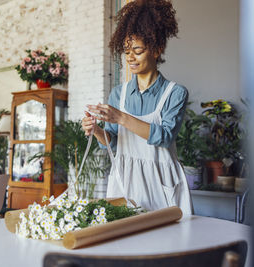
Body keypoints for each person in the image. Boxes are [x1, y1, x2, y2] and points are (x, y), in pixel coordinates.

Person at [82, 0, 192, 215]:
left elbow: (165, 137)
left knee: (168, 243)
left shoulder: (175, 93)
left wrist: (121, 118)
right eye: (126, 51)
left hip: (161, 181)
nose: (130, 57)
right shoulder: (118, 94)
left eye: (137, 50)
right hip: (125, 181)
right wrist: (96, 131)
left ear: (157, 50)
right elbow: (111, 143)